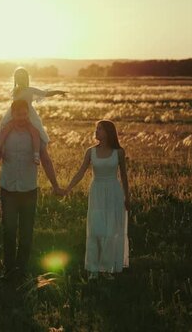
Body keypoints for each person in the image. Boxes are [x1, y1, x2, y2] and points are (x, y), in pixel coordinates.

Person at [0, 99, 64, 281]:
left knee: (26, 233)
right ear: (13, 114)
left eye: (25, 113)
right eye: (19, 114)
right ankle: (9, 270)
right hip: (8, 188)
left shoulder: (35, 135)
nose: (22, 117)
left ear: (29, 113)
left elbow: (46, 160)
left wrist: (55, 185)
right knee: (9, 230)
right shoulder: (5, 133)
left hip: (28, 189)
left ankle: (22, 270)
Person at [63, 120, 129, 280]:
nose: (96, 131)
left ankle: (107, 268)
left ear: (108, 132)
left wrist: (128, 197)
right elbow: (80, 173)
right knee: (96, 229)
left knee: (110, 230)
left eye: (99, 129)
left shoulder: (119, 152)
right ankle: (93, 268)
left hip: (114, 192)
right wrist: (67, 189)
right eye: (96, 129)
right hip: (97, 191)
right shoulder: (90, 151)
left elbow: (124, 177)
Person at [0, 67, 66, 165]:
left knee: (35, 132)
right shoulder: (14, 90)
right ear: (15, 79)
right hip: (14, 114)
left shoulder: (30, 90)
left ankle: (36, 154)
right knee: (4, 130)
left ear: (27, 78)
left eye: (23, 77)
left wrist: (58, 92)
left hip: (27, 114)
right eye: (18, 77)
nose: (21, 79)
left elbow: (44, 93)